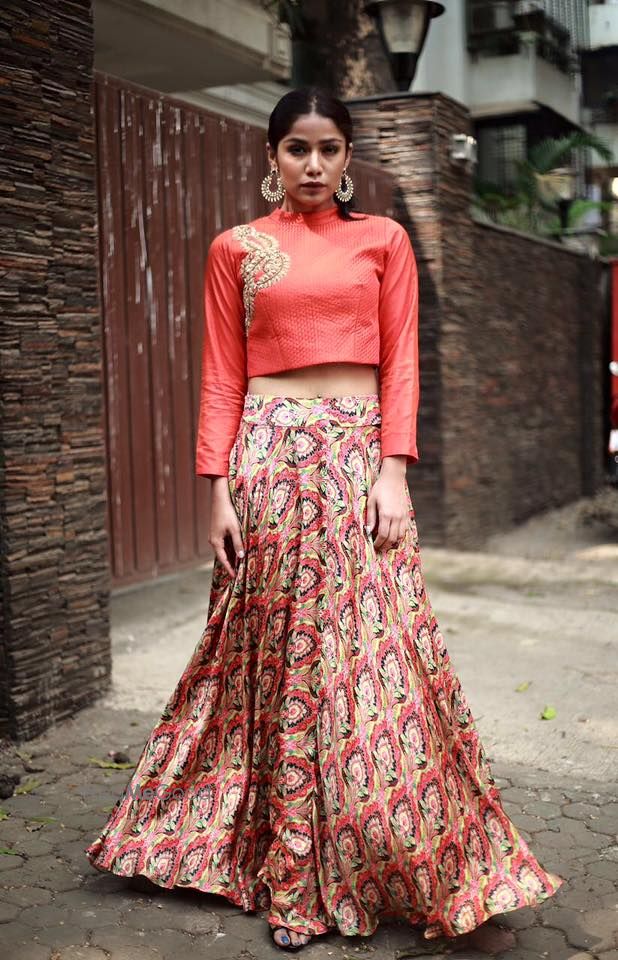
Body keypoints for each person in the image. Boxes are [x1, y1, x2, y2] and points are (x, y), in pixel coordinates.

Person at [84, 86, 564, 954]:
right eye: (297, 148)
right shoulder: (237, 248)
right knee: (274, 655)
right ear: (272, 156)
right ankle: (284, 866)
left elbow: (405, 365)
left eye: (329, 149)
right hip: (265, 461)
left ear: (347, 159)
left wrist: (392, 474)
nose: (312, 164)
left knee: (377, 652)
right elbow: (222, 375)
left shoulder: (384, 241)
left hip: (356, 463)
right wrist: (216, 489)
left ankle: (393, 849)